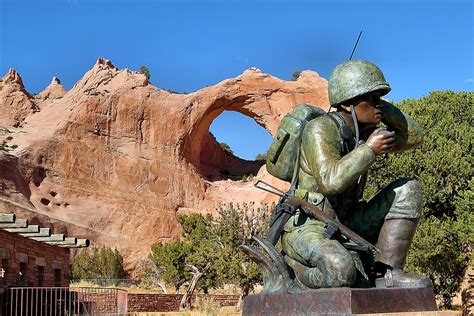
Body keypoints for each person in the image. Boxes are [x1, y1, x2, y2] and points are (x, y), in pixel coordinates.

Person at [281, 59, 430, 288]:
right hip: (310, 224)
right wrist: (369, 150)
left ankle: (388, 274)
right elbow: (330, 182)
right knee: (340, 272)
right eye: (372, 98)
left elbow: (415, 136)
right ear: (348, 102)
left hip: (348, 220)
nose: (379, 103)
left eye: (380, 97)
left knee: (408, 189)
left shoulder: (365, 132)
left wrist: (380, 107)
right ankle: (293, 270)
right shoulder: (320, 129)